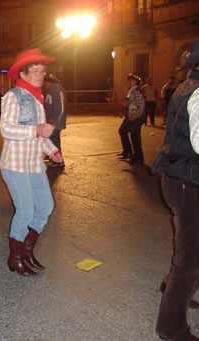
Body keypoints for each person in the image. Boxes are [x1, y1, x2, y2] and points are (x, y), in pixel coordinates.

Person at [0, 48, 62, 276]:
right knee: (25, 211)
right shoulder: (13, 96)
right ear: (23, 74)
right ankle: (14, 257)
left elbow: (41, 135)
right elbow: (6, 129)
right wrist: (35, 129)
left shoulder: (37, 99)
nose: (40, 75)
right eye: (35, 71)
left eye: (42, 71)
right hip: (15, 164)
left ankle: (26, 251)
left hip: (35, 164)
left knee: (46, 207)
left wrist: (53, 151)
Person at [152, 40, 199, 341]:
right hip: (188, 182)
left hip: (179, 176)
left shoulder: (187, 87)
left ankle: (174, 287)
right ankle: (170, 326)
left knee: (192, 252)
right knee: (190, 257)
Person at [117, 73, 145, 164]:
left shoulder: (136, 91)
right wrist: (124, 112)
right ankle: (129, 152)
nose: (128, 82)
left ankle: (138, 156)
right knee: (124, 131)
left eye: (129, 80)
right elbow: (129, 105)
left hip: (137, 118)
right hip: (131, 116)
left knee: (134, 136)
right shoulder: (131, 91)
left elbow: (141, 106)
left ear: (134, 81)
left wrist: (134, 116)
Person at [43, 73, 66, 168]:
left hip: (55, 122)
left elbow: (60, 108)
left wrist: (54, 121)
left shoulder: (56, 90)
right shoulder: (51, 90)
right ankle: (53, 158)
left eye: (46, 81)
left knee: (54, 140)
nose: (44, 83)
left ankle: (58, 161)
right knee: (51, 139)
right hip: (51, 121)